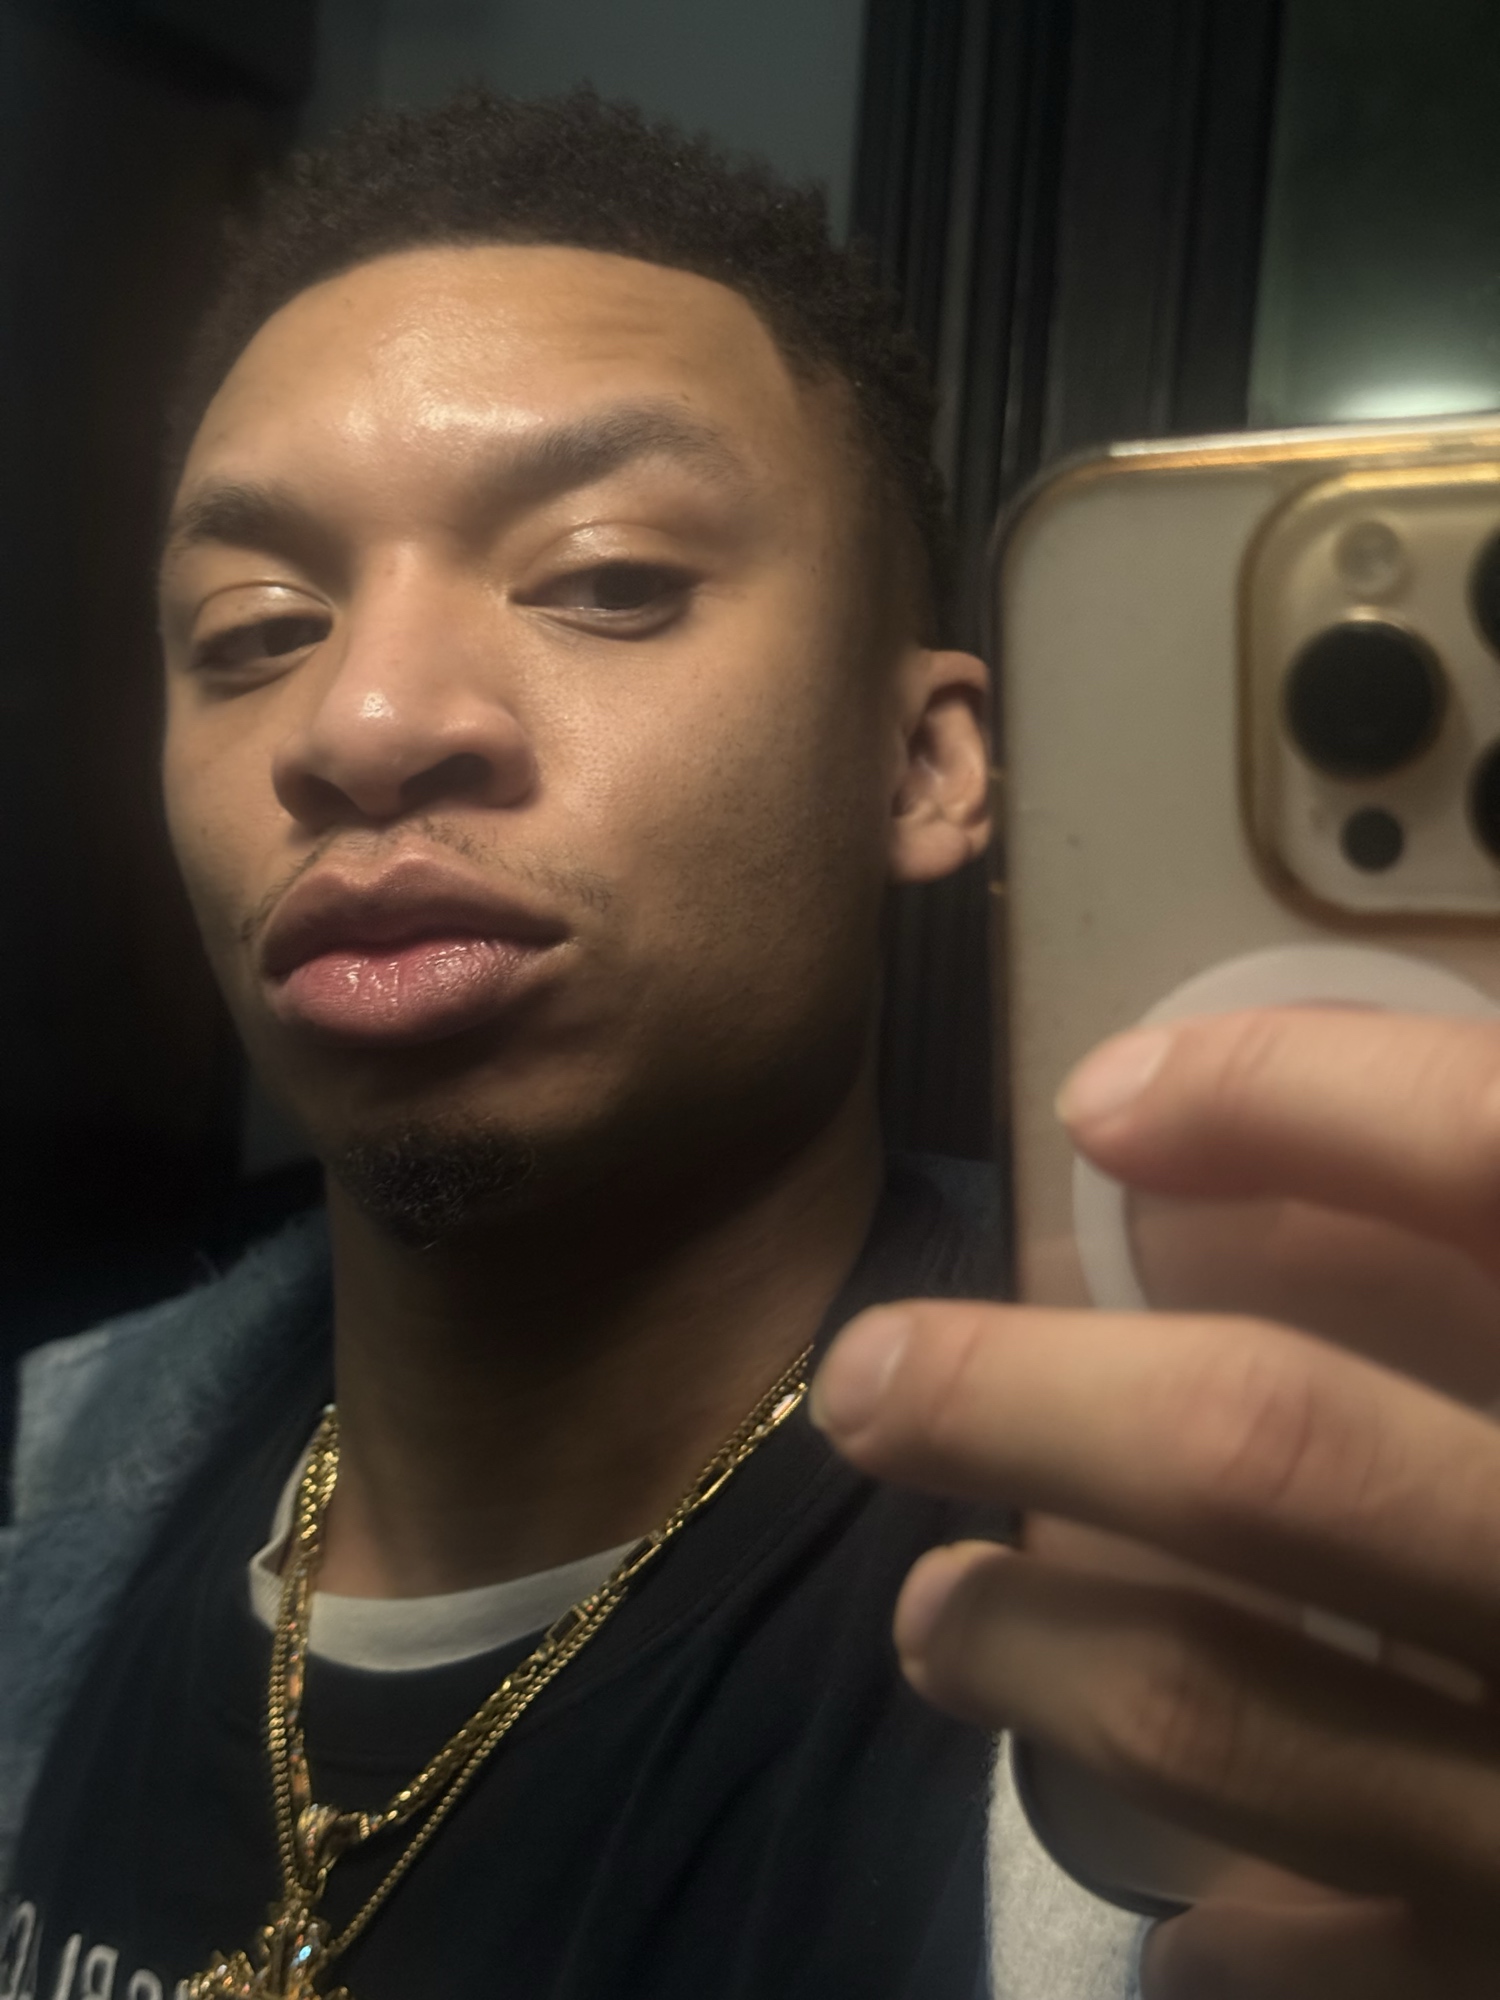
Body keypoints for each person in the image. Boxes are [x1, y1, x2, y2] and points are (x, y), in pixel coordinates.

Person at [0, 85, 1494, 2000]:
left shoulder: (1238, 1558)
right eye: (254, 628)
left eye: (607, 579)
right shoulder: (46, 1476)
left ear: (925, 764)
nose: (358, 724)